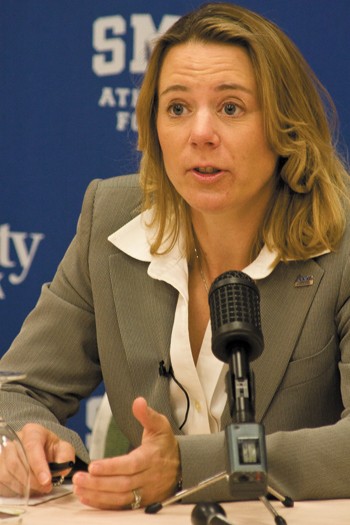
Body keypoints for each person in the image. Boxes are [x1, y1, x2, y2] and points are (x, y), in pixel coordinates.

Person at [1, 1, 350, 511]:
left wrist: (188, 466)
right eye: (178, 108)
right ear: (153, 127)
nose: (200, 134)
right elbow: (16, 390)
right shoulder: (110, 221)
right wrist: (33, 443)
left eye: (230, 108)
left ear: (285, 127)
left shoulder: (340, 241)